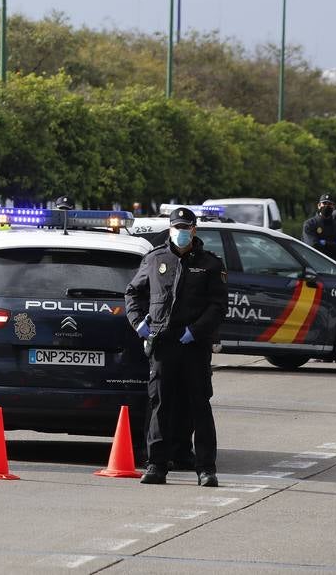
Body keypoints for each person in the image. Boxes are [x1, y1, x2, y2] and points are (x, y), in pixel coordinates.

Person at [125, 206, 227, 487]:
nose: (182, 232)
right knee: (160, 405)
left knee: (199, 406)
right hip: (162, 344)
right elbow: (134, 292)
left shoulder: (210, 264)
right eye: (177, 227)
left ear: (194, 230)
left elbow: (218, 306)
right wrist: (138, 323)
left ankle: (206, 468)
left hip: (193, 345)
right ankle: (156, 465)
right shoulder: (155, 258)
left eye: (186, 227)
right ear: (170, 229)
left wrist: (196, 331)